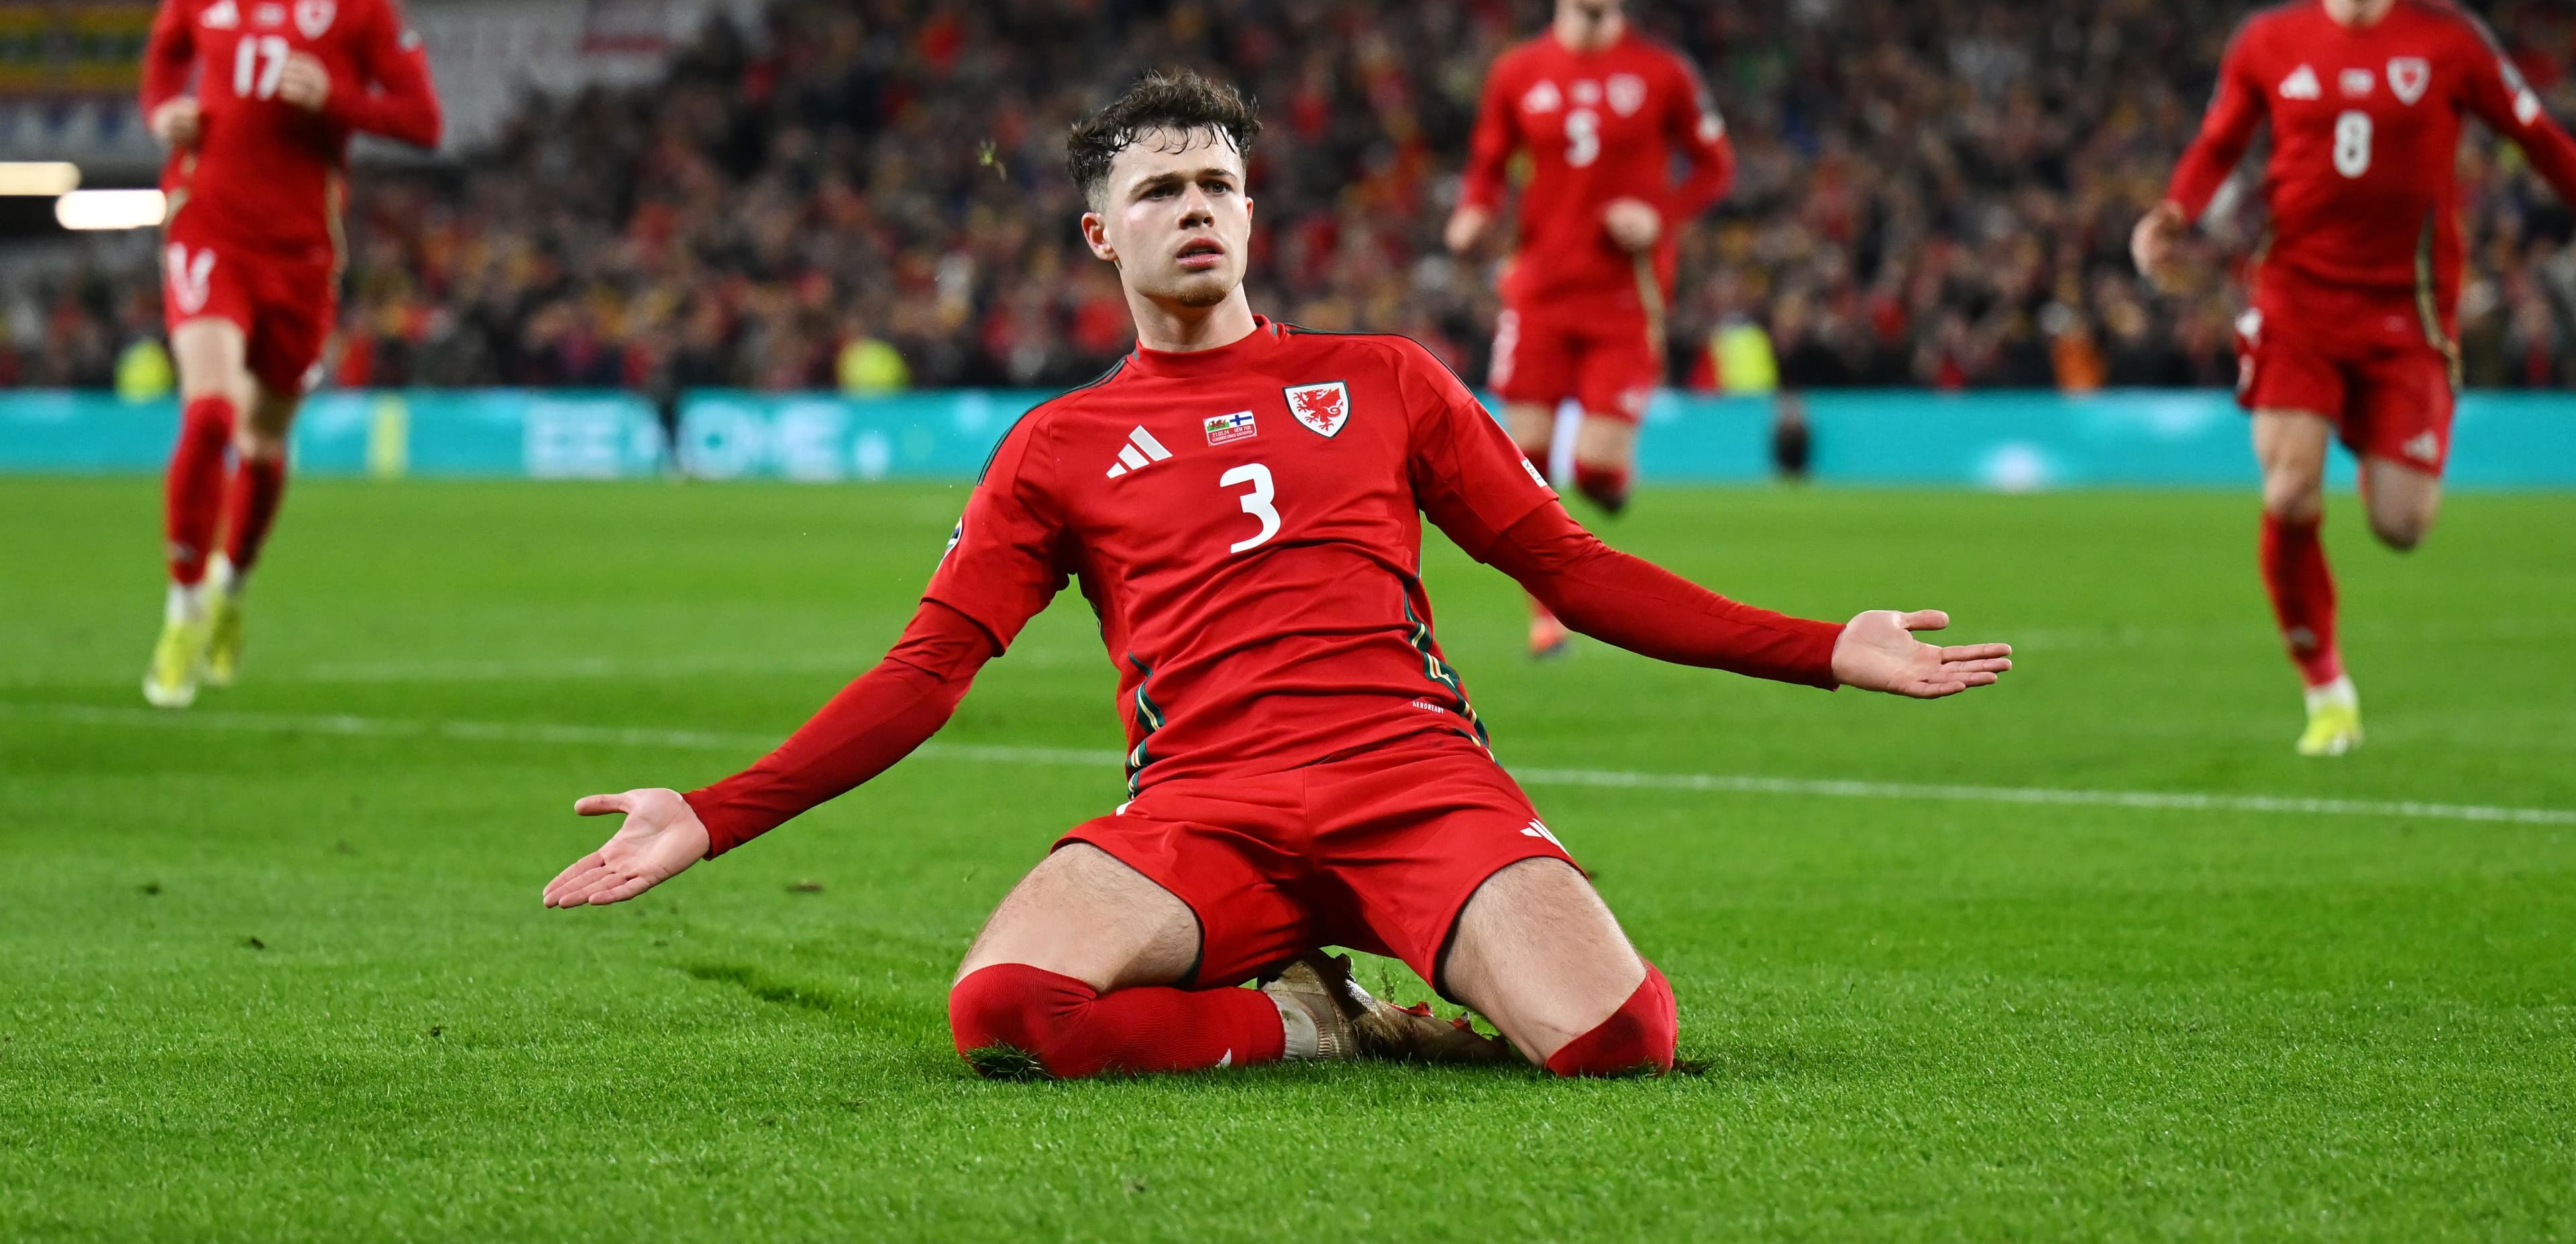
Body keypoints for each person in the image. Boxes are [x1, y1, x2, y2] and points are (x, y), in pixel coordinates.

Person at [545, 70, 2011, 1081]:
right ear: (1099, 234)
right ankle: (1312, 1026)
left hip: (1417, 786)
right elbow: (930, 674)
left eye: (1220, 183)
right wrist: (717, 813)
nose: (1196, 205)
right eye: (1163, 187)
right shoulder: (1055, 446)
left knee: (1621, 1045)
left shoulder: (1386, 379)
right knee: (1007, 1012)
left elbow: (1569, 565)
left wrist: (1828, 646)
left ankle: (1374, 972)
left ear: (1252, 217)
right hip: (1203, 812)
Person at [2132, 0, 2576, 756]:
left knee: (2400, 525)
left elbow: (2538, 139)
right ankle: (2326, 688)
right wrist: (2173, 211)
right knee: (2291, 488)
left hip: (2407, 314)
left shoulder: (2450, 39)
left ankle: (2363, 428)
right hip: (2296, 297)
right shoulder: (2267, 40)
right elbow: (2220, 140)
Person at [138, 0, 443, 708]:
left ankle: (233, 588)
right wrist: (165, 116)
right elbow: (162, 70)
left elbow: (424, 122)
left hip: (303, 251)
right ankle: (183, 604)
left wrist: (340, 99)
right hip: (207, 227)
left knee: (265, 441)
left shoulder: (361, 3)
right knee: (207, 415)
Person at [1444, 0, 1735, 657]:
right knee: (1523, 460)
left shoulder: (1663, 73)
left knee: (1596, 468)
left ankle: (1609, 488)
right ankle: (1548, 615)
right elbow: (1486, 164)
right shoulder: (1517, 72)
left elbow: (1715, 166)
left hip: (1623, 298)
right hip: (1538, 290)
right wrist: (1474, 214)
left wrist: (1660, 212)